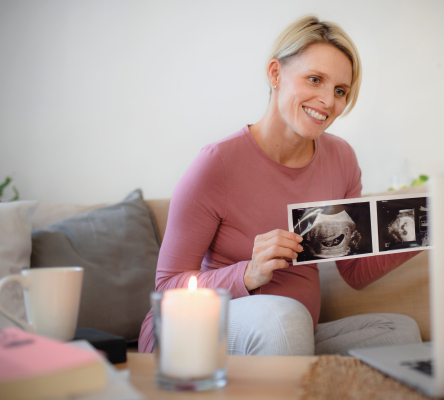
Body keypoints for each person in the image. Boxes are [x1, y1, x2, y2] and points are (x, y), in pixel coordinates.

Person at [138, 15, 422, 356]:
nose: (328, 102)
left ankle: (291, 369)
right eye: (314, 79)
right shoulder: (217, 164)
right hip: (194, 330)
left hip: (291, 332)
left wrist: (424, 229)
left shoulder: (342, 159)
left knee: (398, 332)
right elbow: (168, 289)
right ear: (275, 74)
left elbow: (354, 271)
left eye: (340, 91)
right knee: (284, 321)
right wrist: (249, 273)